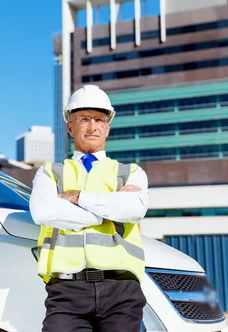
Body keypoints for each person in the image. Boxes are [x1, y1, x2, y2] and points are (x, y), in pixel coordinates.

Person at [29, 84, 149, 332]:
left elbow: (134, 209)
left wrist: (76, 196)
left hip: (122, 289)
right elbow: (43, 212)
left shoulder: (131, 172)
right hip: (66, 291)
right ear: (70, 127)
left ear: (108, 126)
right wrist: (110, 206)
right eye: (84, 119)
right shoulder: (50, 172)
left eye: (99, 119)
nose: (92, 126)